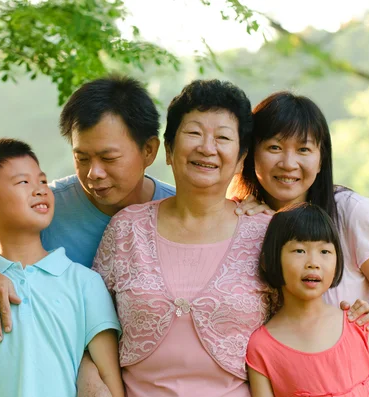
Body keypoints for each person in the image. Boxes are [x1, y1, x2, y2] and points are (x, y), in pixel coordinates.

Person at [0, 75, 175, 343]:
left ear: (149, 151)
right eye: (81, 158)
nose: (94, 172)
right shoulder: (43, 207)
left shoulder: (180, 209)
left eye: (109, 158)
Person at [231, 92, 369, 396]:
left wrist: (364, 328)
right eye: (274, 147)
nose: (288, 163)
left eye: (304, 149)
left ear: (322, 157)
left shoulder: (352, 212)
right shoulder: (242, 219)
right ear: (250, 153)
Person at [93, 79, 273, 396]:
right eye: (194, 133)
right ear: (169, 149)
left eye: (223, 137)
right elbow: (93, 324)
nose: (207, 147)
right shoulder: (127, 228)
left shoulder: (266, 232)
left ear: (241, 157)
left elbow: (297, 325)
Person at [0, 139, 123, 397]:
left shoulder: (84, 283)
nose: (41, 190)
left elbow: (110, 381)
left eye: (43, 181)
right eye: (24, 182)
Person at [247, 203, 369, 397]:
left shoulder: (358, 324)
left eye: (324, 252)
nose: (313, 263)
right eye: (299, 250)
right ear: (270, 260)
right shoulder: (262, 347)